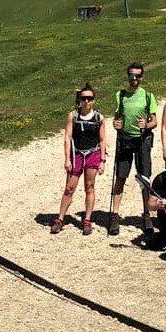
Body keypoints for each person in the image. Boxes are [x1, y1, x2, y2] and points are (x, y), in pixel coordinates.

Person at [108, 62, 158, 237]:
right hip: (125, 140)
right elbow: (117, 117)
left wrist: (147, 125)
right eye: (131, 75)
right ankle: (115, 215)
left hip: (142, 140)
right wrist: (116, 124)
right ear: (127, 76)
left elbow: (154, 121)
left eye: (138, 76)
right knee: (121, 177)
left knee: (144, 179)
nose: (134, 79)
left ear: (142, 77)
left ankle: (147, 215)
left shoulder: (148, 96)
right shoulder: (120, 95)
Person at [52, 84, 106, 236]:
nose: (87, 101)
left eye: (90, 98)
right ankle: (60, 218)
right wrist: (67, 159)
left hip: (92, 154)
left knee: (90, 186)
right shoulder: (73, 116)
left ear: (94, 100)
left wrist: (102, 160)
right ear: (79, 100)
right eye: (84, 98)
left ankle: (87, 220)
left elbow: (102, 140)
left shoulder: (99, 118)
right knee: (69, 188)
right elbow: (67, 138)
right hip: (76, 155)